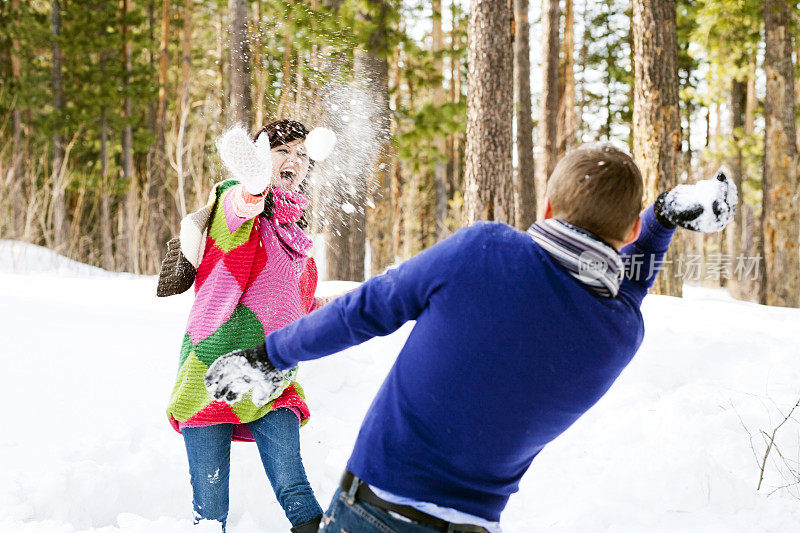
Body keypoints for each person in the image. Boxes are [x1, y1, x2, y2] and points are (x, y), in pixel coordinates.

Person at [204, 144, 737, 532]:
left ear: (547, 209)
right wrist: (664, 217)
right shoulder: (621, 331)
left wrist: (269, 355)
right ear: (626, 237)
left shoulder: (484, 250)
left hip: (373, 513)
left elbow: (367, 310)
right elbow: (630, 284)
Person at [159, 119, 336, 532]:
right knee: (210, 509)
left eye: (302, 155)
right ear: (259, 156)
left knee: (295, 486)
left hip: (268, 374)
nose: (294, 161)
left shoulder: (295, 238)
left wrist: (366, 300)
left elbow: (299, 307)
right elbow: (241, 206)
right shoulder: (232, 205)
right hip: (209, 370)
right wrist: (253, 185)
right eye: (282, 151)